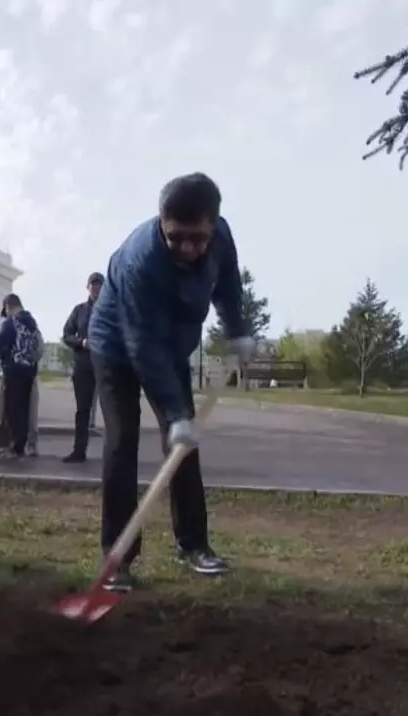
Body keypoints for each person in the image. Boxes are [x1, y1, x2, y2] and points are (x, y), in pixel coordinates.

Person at [87, 172, 255, 592]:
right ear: (161, 222)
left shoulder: (222, 238)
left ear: (213, 226)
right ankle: (119, 557)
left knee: (183, 444)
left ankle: (194, 545)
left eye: (196, 238)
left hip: (170, 345)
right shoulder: (140, 260)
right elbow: (142, 344)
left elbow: (229, 284)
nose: (186, 247)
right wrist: (175, 410)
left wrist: (238, 330)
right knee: (122, 441)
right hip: (116, 347)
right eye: (175, 236)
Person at [0, 293, 41, 459]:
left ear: (8, 306)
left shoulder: (11, 323)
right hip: (29, 370)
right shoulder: (31, 323)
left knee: (11, 410)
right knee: (24, 410)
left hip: (13, 370)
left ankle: (14, 447)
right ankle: (21, 446)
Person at [60, 271, 104, 463]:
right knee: (83, 410)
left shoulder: (112, 309)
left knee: (113, 411)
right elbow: (66, 334)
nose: (96, 288)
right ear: (88, 287)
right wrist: (81, 342)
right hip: (84, 365)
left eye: (99, 285)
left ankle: (116, 454)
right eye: (93, 285)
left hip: (106, 365)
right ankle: (79, 451)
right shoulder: (79, 310)